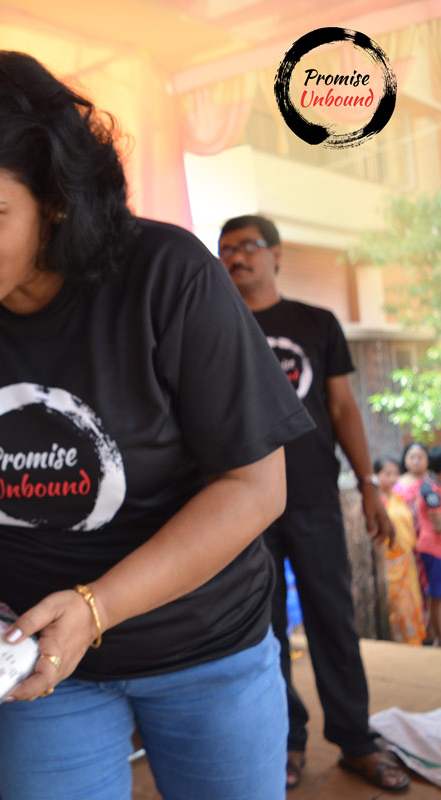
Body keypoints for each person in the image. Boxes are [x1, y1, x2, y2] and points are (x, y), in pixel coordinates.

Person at [0, 50, 312, 800]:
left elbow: (254, 485)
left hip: (207, 652)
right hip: (37, 662)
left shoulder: (166, 277)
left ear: (58, 200)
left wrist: (97, 607)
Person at [219, 213, 407, 791]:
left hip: (315, 501)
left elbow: (345, 409)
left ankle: (354, 741)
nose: (237, 257)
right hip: (243, 506)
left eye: (249, 246)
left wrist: (369, 487)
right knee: (263, 632)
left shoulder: (316, 322)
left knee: (333, 622)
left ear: (277, 255)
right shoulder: (215, 326)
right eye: (226, 249)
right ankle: (284, 742)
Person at [374, 457, 426, 645]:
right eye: (387, 474)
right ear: (376, 475)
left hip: (406, 560)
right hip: (387, 563)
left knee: (411, 603)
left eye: (396, 473)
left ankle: (412, 642)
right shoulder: (374, 501)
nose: (393, 478)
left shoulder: (398, 498)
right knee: (392, 606)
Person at [395, 441, 441, 644]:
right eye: (411, 456)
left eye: (419, 456)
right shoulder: (431, 490)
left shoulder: (432, 485)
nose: (415, 460)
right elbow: (438, 524)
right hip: (430, 548)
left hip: (429, 547)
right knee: (435, 597)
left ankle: (430, 635)